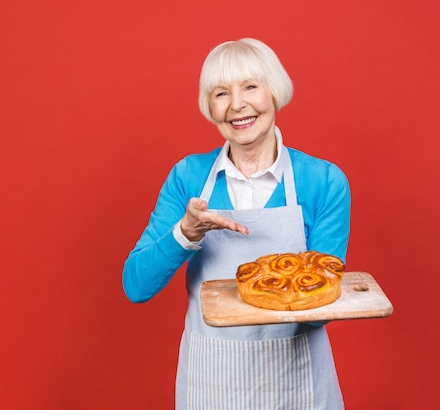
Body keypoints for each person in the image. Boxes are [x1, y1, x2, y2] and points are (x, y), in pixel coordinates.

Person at [122, 38, 351, 410]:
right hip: (212, 381)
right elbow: (136, 285)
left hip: (296, 382)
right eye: (221, 93)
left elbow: (319, 303)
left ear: (274, 92)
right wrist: (186, 234)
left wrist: (281, 286)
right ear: (209, 107)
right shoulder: (188, 178)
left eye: (250, 87)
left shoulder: (323, 181)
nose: (237, 105)